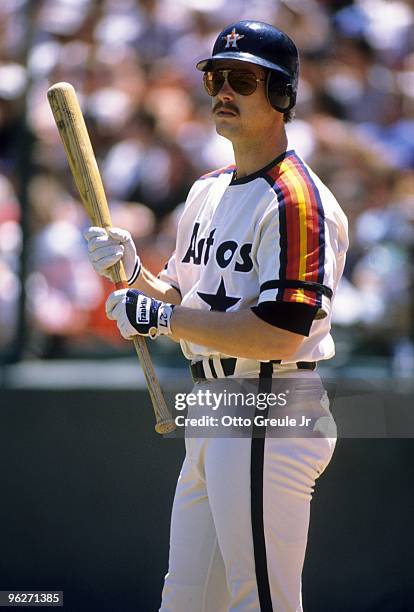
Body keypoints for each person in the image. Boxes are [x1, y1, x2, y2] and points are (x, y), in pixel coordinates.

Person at [84, 20, 348, 612]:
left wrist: (157, 316)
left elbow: (279, 334)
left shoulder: (296, 199)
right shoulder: (207, 188)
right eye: (215, 77)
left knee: (261, 602)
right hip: (214, 407)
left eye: (243, 79)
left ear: (281, 94)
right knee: (186, 600)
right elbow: (182, 299)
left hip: (267, 404)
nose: (223, 90)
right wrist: (134, 275)